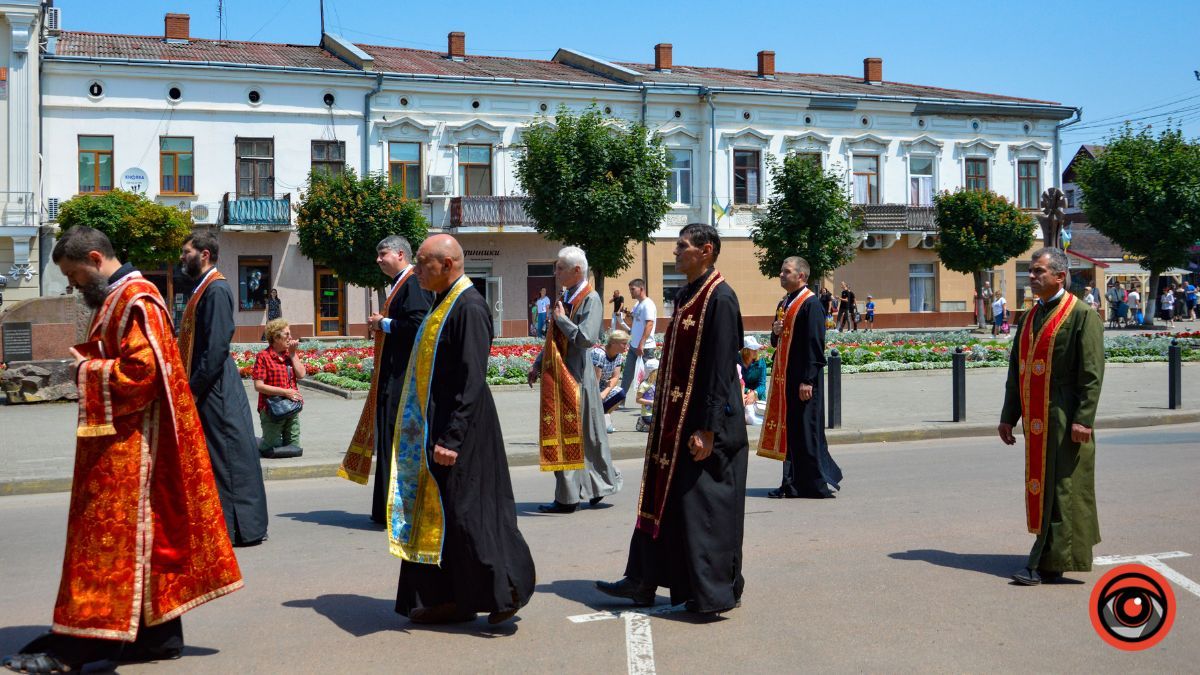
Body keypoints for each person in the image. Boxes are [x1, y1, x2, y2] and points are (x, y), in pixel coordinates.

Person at [1, 227, 242, 673]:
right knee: (139, 544)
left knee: (105, 545)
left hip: (135, 450)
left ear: (95, 258)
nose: (73, 285)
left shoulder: (137, 299)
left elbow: (143, 373)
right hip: (118, 441)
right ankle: (156, 637)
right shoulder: (117, 297)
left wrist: (88, 370)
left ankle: (81, 643)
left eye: (74, 274)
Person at [597, 223, 749, 615]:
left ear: (707, 250)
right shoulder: (685, 295)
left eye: (683, 247)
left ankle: (710, 592)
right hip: (673, 422)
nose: (676, 252)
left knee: (701, 511)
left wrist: (708, 429)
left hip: (704, 426)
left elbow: (718, 369)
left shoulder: (721, 298)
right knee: (661, 502)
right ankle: (642, 579)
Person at [391, 234, 535, 625]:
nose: (417, 271)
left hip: (465, 429)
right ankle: (451, 598)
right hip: (438, 424)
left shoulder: (469, 306)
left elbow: (472, 379)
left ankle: (507, 590)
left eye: (424, 263)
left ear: (448, 265)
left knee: (471, 513)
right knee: (443, 513)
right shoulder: (444, 300)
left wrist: (452, 437)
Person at [999, 247, 1104, 586]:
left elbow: (1091, 372)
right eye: (1030, 271)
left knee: (1063, 488)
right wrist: (1008, 416)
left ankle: (1042, 560)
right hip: (1036, 418)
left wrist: (1083, 419)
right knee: (1045, 486)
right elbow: (1017, 369)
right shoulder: (1029, 316)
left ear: (1060, 276)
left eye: (1039, 271)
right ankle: (1052, 556)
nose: (1032, 276)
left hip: (1063, 413)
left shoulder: (1081, 315)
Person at [178, 232, 269, 546]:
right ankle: (225, 525)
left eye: (186, 252)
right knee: (219, 454)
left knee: (228, 454)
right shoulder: (204, 288)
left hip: (215, 385)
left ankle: (241, 528)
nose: (181, 257)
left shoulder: (216, 289)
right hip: (212, 382)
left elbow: (216, 346)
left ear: (204, 254)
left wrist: (195, 387)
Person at [338, 235, 434, 525]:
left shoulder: (414, 283)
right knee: (388, 442)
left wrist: (384, 324)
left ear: (401, 255)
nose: (378, 260)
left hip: (403, 378)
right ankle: (387, 507)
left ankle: (399, 508)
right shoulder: (402, 283)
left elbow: (418, 325)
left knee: (396, 441)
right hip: (393, 375)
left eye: (383, 254)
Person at [528, 247, 623, 513]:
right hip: (559, 375)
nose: (555, 272)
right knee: (582, 436)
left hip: (577, 378)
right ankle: (595, 488)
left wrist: (562, 321)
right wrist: (537, 364)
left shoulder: (590, 298)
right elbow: (553, 338)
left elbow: (588, 338)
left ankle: (569, 498)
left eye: (560, 268)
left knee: (578, 436)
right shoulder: (566, 295)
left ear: (577, 271)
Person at [759, 256, 843, 499]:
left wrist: (808, 380)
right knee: (791, 431)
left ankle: (811, 483)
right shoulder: (785, 302)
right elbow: (777, 341)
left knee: (805, 431)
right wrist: (775, 332)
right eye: (781, 271)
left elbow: (815, 344)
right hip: (785, 377)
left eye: (786, 272)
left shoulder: (811, 304)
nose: (781, 275)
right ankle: (790, 483)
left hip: (803, 380)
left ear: (801, 276)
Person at [252, 319, 307, 457]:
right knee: (271, 449)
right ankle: (260, 442)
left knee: (294, 447)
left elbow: (301, 374)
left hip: (291, 407)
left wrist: (294, 355)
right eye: (286, 334)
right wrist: (285, 392)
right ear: (276, 337)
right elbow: (258, 386)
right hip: (272, 408)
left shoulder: (290, 354)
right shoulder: (263, 357)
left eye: (290, 334)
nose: (290, 337)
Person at [616, 278, 658, 405]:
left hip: (645, 348)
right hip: (634, 346)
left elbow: (649, 324)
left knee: (649, 376)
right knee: (627, 374)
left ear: (641, 289)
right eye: (630, 290)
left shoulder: (648, 304)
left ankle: (652, 400)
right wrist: (625, 315)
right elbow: (634, 321)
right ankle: (619, 401)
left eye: (632, 289)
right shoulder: (637, 304)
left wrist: (642, 343)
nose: (631, 292)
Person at [591, 330, 630, 433]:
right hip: (589, 385)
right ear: (613, 343)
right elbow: (595, 379)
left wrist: (605, 392)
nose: (626, 346)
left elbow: (615, 377)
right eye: (624, 343)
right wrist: (599, 395)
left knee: (620, 393)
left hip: (602, 385)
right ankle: (594, 420)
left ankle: (601, 418)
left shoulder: (619, 355)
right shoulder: (599, 354)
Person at [740, 335, 767, 425]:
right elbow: (735, 382)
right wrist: (748, 392)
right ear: (746, 351)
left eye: (756, 348)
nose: (756, 350)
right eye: (753, 348)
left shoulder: (761, 362)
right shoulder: (737, 362)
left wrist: (754, 393)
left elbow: (762, 384)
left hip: (757, 396)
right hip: (742, 394)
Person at [635, 358, 659, 432]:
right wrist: (650, 402)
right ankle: (642, 421)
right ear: (653, 372)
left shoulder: (658, 383)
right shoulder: (644, 385)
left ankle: (647, 426)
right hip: (648, 413)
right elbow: (638, 399)